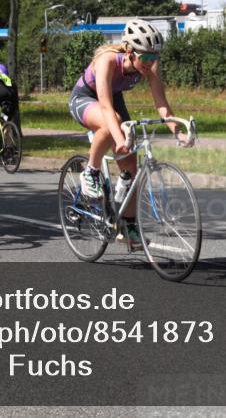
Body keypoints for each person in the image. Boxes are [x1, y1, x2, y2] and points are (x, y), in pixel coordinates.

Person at [67, 19, 190, 248]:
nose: (150, 62)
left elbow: (162, 104)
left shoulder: (150, 64)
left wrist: (178, 132)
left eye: (154, 57)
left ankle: (129, 226)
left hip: (114, 100)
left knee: (131, 164)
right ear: (130, 52)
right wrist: (119, 138)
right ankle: (90, 173)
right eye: (146, 57)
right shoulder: (107, 61)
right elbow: (105, 106)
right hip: (86, 98)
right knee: (112, 122)